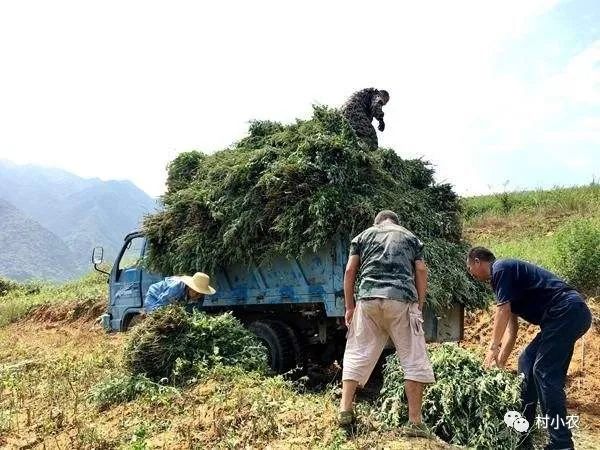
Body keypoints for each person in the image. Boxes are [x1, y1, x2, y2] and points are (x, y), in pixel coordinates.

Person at [467, 247, 592, 450]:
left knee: (544, 373)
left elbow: (502, 310)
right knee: (526, 360)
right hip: (562, 317)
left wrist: (492, 347)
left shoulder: (500, 269)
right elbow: (512, 329)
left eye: (469, 267)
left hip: (566, 311)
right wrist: (499, 363)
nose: (470, 272)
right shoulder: (503, 282)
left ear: (478, 261)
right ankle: (523, 437)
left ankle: (561, 444)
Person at [339, 210, 435, 437]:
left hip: (368, 300)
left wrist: (349, 306)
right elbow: (421, 270)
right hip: (401, 300)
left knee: (356, 352)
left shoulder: (362, 237)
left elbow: (350, 270)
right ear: (395, 222)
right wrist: (418, 304)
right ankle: (415, 423)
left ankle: (345, 410)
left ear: (378, 222)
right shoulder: (410, 238)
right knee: (412, 357)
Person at [144, 272, 216, 313]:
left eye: (201, 294)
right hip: (155, 296)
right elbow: (162, 303)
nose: (198, 296)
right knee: (156, 314)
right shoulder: (176, 288)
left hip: (170, 298)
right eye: (196, 293)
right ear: (190, 288)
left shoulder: (200, 296)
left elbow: (195, 311)